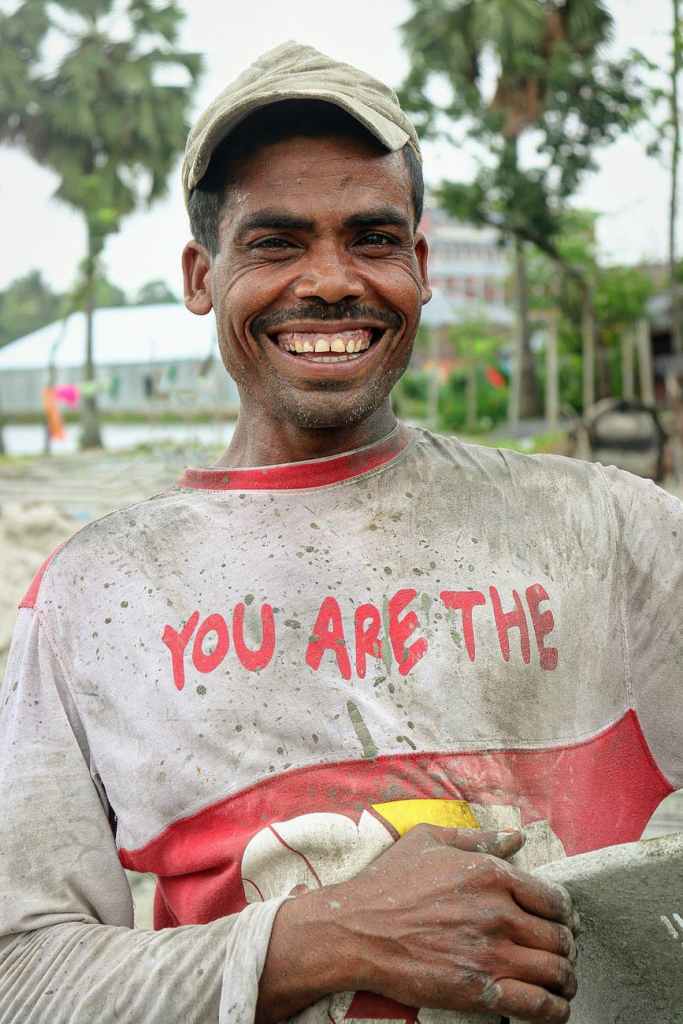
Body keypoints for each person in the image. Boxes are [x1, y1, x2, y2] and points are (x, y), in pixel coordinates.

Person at [0, 40, 681, 1024]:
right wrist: (320, 939)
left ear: (419, 266)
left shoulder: (608, 529)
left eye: (371, 238)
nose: (328, 280)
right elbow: (22, 974)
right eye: (275, 243)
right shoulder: (96, 596)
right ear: (200, 276)